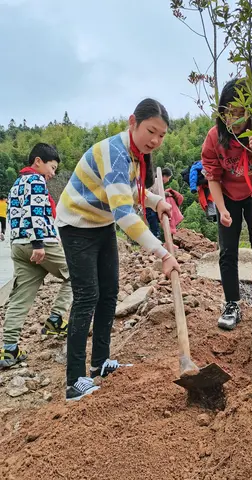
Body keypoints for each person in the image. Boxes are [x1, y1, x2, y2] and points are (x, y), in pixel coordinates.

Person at [56, 98, 180, 401]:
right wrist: (163, 253)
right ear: (132, 122)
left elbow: (134, 192)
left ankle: (100, 363)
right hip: (76, 224)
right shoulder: (115, 154)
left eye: (162, 135)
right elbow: (125, 215)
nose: (155, 140)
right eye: (151, 131)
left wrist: (156, 201)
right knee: (88, 296)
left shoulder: (137, 155)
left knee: (110, 292)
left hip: (100, 223)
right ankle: (74, 381)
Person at [202, 79, 252, 331]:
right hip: (227, 195)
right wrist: (221, 208)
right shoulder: (214, 138)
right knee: (228, 250)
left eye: (238, 112)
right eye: (227, 111)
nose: (232, 118)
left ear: (250, 110)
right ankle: (232, 304)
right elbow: (212, 176)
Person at [0, 143, 73, 368]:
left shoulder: (17, 183)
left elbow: (14, 216)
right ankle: (56, 319)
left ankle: (9, 349)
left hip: (19, 245)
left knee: (21, 296)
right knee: (76, 274)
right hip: (38, 243)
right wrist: (39, 243)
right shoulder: (36, 180)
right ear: (38, 161)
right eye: (52, 167)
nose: (53, 173)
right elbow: (36, 212)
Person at [146, 167, 173, 238]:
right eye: (168, 178)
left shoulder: (158, 182)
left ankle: (156, 238)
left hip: (152, 206)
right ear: (164, 176)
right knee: (154, 225)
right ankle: (156, 240)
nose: (168, 180)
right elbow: (155, 194)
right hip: (150, 206)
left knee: (156, 223)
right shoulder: (156, 181)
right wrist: (166, 194)